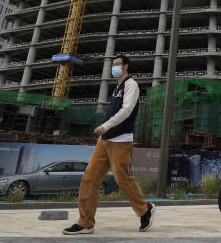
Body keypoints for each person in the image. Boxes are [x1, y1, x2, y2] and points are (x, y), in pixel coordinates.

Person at [63, 55, 155, 235]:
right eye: (113, 65)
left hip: (120, 140)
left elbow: (127, 111)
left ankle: (145, 209)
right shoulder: (116, 88)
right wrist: (105, 131)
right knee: (89, 178)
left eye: (118, 64)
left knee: (122, 179)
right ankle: (86, 222)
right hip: (104, 141)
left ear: (126, 66)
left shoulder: (131, 85)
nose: (115, 67)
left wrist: (106, 126)